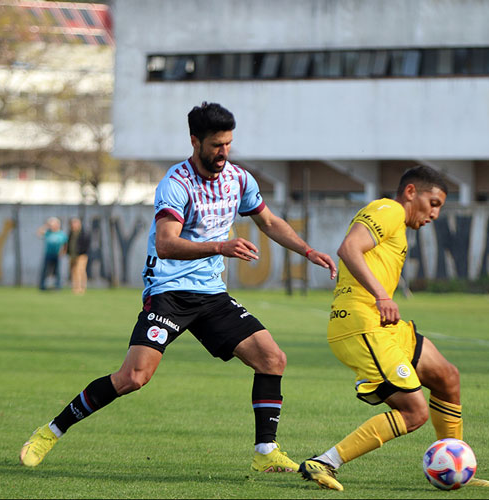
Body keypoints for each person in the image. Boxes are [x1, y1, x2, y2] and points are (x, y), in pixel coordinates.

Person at [19, 102, 337, 473]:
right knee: (133, 377)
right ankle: (51, 431)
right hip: (169, 293)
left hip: (211, 295)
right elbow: (167, 243)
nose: (224, 152)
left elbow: (267, 221)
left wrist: (307, 250)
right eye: (217, 145)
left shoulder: (239, 179)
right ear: (195, 141)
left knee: (272, 358)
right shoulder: (176, 184)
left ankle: (265, 452)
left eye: (228, 144)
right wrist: (220, 246)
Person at [298, 166, 489, 491]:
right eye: (433, 203)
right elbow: (349, 248)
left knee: (447, 377)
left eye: (439, 207)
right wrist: (381, 296)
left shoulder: (398, 225)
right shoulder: (388, 210)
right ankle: (324, 462)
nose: (434, 213)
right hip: (361, 324)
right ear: (410, 192)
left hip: (387, 327)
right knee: (414, 412)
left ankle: (457, 464)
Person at [37, 217, 67, 291]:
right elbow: (39, 233)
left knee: (57, 271)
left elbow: (65, 244)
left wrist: (63, 252)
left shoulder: (61, 234)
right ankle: (42, 286)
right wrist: (46, 225)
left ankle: (58, 286)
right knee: (45, 270)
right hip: (48, 254)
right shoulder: (48, 232)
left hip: (57, 255)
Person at [66, 217, 90, 295]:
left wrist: (82, 252)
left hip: (81, 255)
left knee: (80, 271)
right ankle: (75, 287)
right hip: (72, 255)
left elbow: (86, 245)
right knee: (74, 272)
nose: (74, 225)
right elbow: (68, 244)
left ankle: (81, 288)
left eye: (75, 223)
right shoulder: (71, 233)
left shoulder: (83, 233)